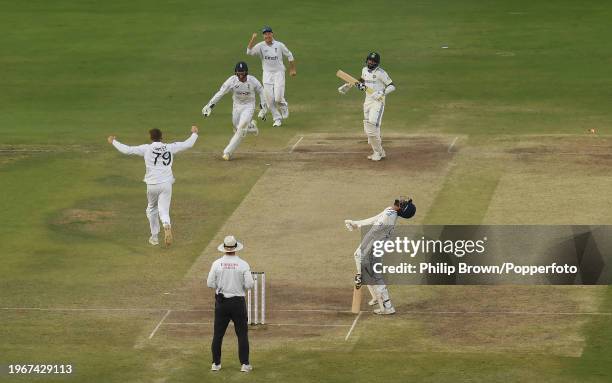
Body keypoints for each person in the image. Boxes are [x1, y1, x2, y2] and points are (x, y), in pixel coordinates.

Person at [107, 126, 198, 246]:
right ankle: (166, 224)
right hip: (166, 184)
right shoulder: (170, 147)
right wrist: (194, 133)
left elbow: (127, 150)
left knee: (151, 209)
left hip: (152, 185)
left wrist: (113, 141)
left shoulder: (146, 148)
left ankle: (154, 237)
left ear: (151, 138)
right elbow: (188, 144)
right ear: (162, 137)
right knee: (164, 210)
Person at [344, 197, 416, 314]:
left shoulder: (389, 216)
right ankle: (386, 305)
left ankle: (379, 300)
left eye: (404, 202)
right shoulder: (390, 211)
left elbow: (374, 232)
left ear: (402, 208)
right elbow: (374, 219)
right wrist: (356, 224)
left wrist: (362, 249)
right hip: (378, 243)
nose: (403, 199)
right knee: (374, 272)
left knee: (359, 258)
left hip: (376, 244)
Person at [207, 235, 254, 373]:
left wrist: (220, 287)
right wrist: (240, 286)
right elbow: (250, 284)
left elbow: (210, 283)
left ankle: (216, 364)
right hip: (238, 302)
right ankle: (245, 364)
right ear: (235, 248)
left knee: (218, 334)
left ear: (224, 249)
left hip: (221, 302)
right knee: (242, 334)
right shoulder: (243, 264)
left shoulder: (216, 264)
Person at [202, 62, 266, 161]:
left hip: (249, 106)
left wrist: (263, 107)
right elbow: (221, 93)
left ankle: (227, 152)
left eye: (242, 73)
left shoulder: (252, 81)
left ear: (246, 72)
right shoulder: (232, 81)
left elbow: (261, 92)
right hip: (236, 106)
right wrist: (209, 105)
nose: (240, 75)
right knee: (237, 128)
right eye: (238, 73)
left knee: (240, 130)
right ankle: (251, 126)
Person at [338, 52, 395, 161]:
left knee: (372, 127)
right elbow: (361, 81)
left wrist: (382, 92)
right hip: (367, 101)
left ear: (377, 63)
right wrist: (348, 85)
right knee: (369, 128)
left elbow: (392, 86)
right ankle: (379, 151)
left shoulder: (381, 73)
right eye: (369, 60)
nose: (370, 62)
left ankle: (378, 152)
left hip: (378, 101)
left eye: (373, 61)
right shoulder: (364, 70)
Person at [246, 26, 296, 127]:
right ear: (263, 36)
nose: (267, 35)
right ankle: (277, 119)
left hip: (279, 73)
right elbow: (248, 52)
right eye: (265, 34)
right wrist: (253, 39)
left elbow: (290, 55)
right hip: (267, 74)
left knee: (277, 98)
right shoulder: (260, 46)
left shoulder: (279, 45)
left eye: (269, 33)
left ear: (272, 34)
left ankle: (283, 105)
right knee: (269, 99)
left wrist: (292, 69)